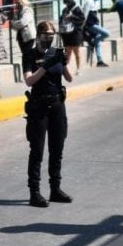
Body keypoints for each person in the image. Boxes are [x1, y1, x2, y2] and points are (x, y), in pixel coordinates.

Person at [22, 21, 73, 207]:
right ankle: (34, 192)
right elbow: (29, 81)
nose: (49, 38)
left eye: (52, 34)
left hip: (58, 105)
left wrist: (64, 62)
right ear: (38, 36)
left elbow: (69, 78)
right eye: (46, 35)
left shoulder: (55, 53)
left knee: (57, 148)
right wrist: (44, 67)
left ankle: (55, 189)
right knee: (37, 151)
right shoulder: (30, 54)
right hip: (39, 107)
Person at [82, 0, 111, 67]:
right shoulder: (89, 1)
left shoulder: (96, 2)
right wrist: (83, 26)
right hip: (90, 25)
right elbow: (85, 14)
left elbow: (95, 14)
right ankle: (94, 42)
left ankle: (100, 61)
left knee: (98, 42)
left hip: (95, 24)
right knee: (107, 33)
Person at [59, 0, 86, 75]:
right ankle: (64, 70)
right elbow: (61, 20)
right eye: (65, 3)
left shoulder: (78, 9)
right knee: (67, 53)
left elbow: (82, 19)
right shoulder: (64, 10)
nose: (66, 4)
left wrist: (72, 17)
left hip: (75, 34)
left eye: (67, 3)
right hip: (66, 34)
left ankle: (78, 70)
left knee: (76, 52)